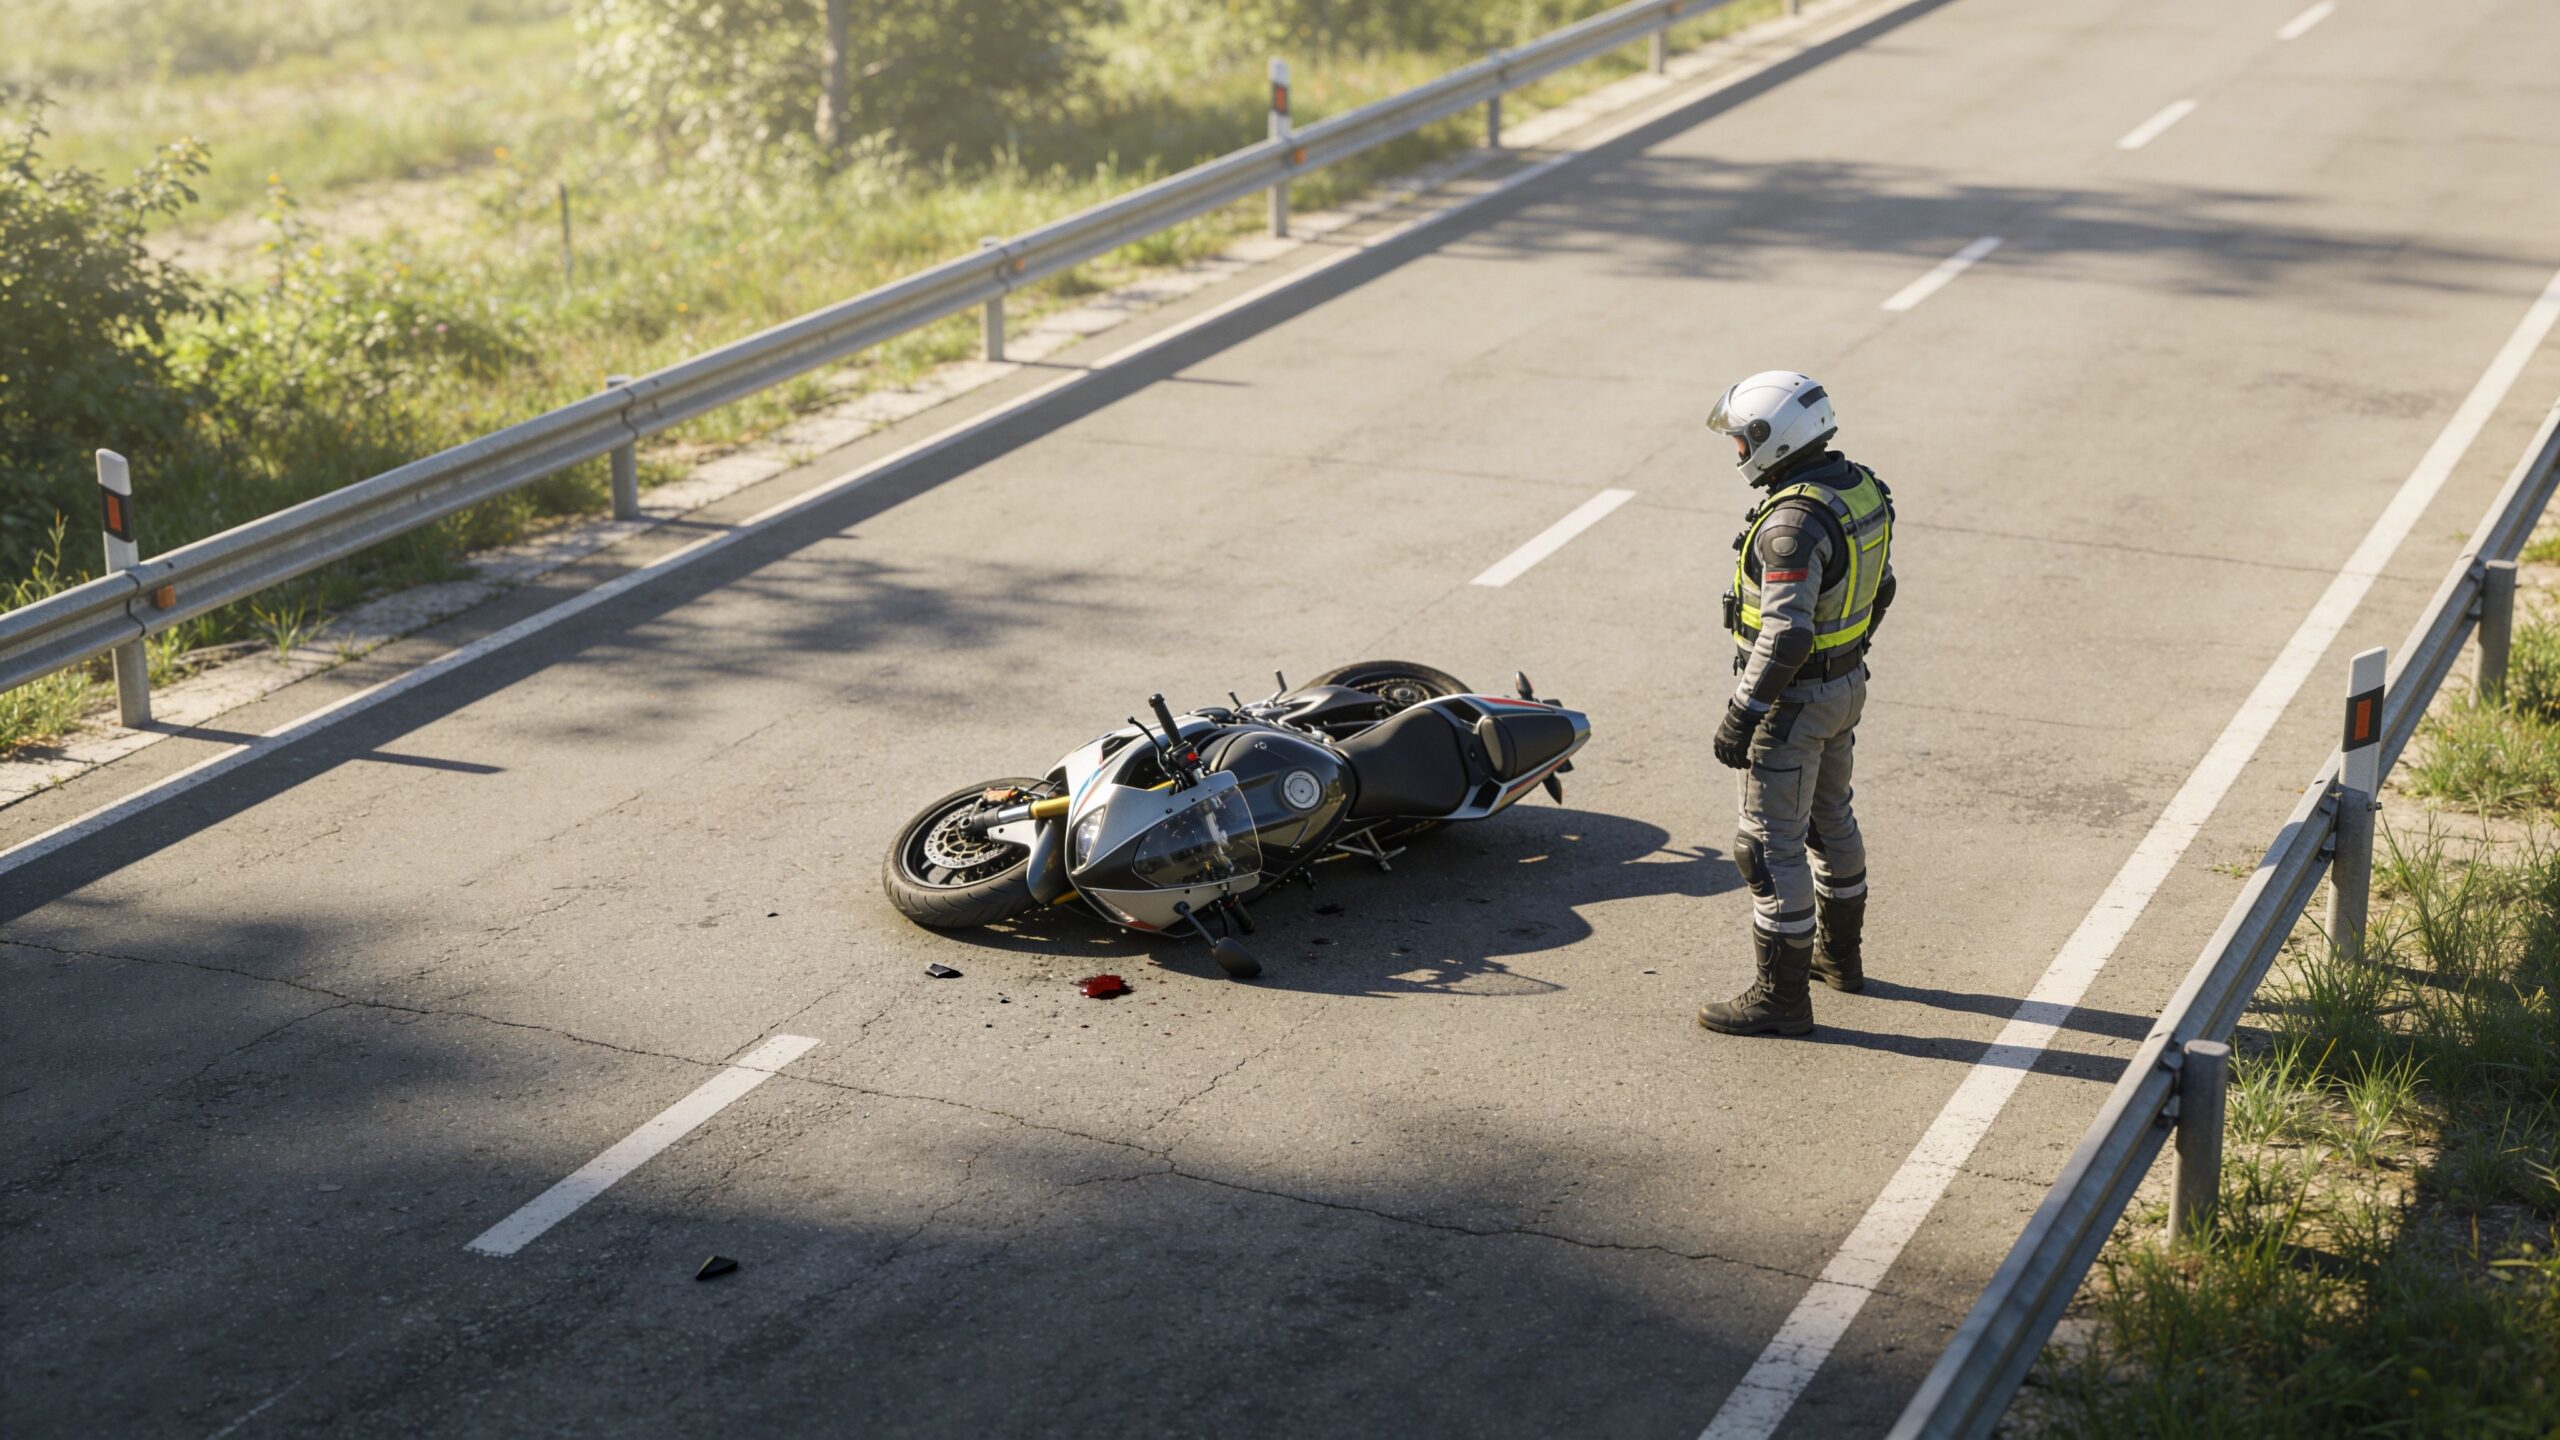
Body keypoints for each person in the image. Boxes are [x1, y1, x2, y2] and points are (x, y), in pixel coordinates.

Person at [1696, 371, 1895, 1037]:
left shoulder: (1791, 524)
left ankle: (1780, 999)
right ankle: (1841, 959)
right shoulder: (1858, 487)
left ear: (1771, 439)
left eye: (1741, 440)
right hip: (1844, 688)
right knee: (1829, 820)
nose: (1737, 453)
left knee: (1765, 846)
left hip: (1793, 700)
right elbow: (1882, 587)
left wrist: (1743, 714)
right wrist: (1847, 660)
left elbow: (1786, 635)